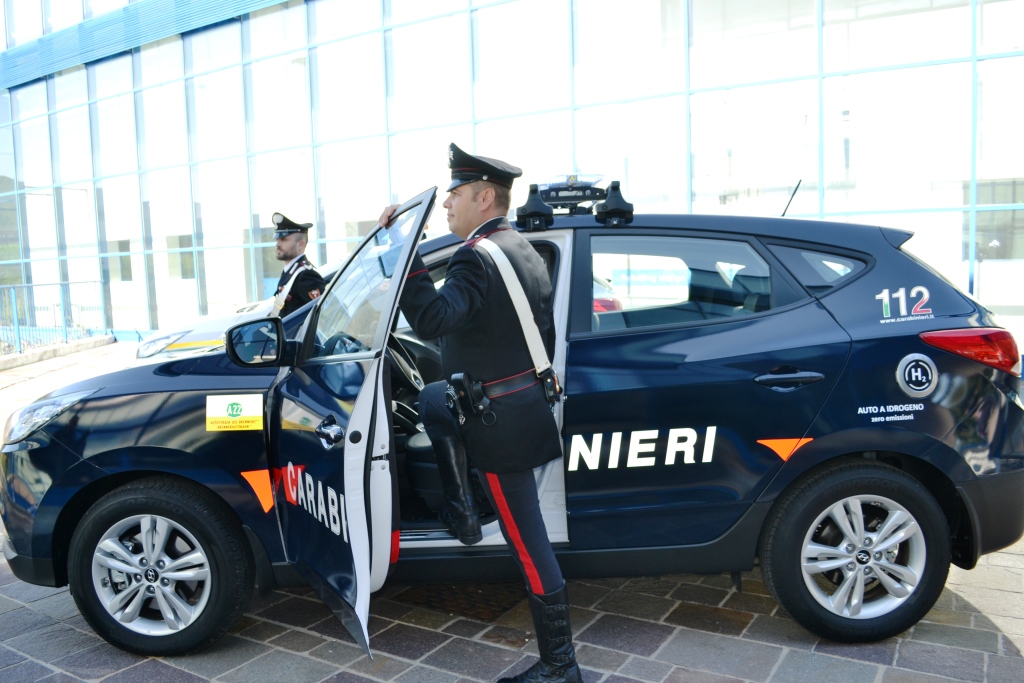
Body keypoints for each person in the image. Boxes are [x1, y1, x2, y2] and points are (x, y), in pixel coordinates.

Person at [379, 143, 581, 683]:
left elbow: (432, 320)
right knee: (432, 402)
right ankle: (463, 508)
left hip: (502, 425)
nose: (448, 205)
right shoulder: (520, 248)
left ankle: (562, 669)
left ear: (485, 195)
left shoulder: (475, 255)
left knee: (529, 544)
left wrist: (405, 256)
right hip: (524, 411)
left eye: (456, 195)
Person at [271, 212, 326, 318]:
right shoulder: (290, 270)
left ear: (300, 244)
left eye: (283, 239)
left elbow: (322, 315)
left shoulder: (306, 275)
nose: (277, 244)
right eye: (277, 239)